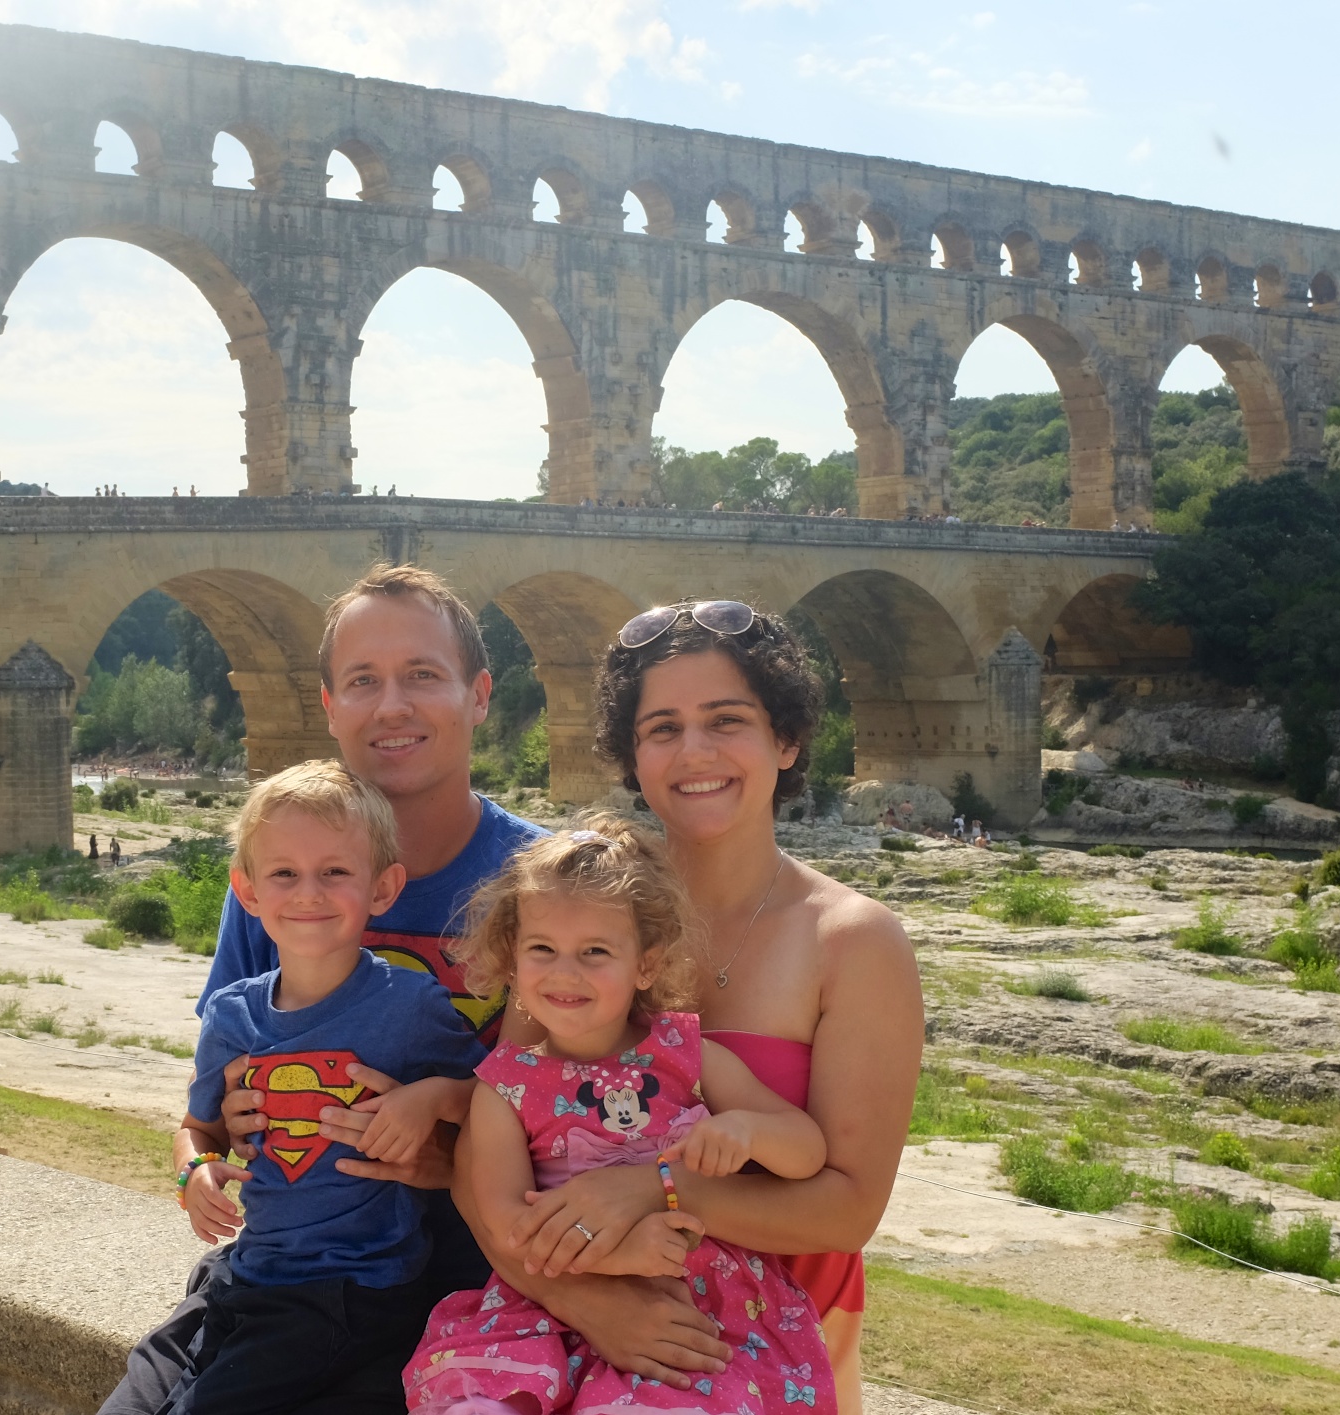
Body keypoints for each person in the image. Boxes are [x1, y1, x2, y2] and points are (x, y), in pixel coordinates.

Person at [449, 601, 920, 1411]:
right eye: (660, 727)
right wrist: (589, 1304)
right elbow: (486, 1155)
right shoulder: (576, 916)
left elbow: (844, 1210)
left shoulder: (853, 941)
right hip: (574, 1320)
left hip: (779, 1339)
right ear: (632, 755)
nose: (693, 751)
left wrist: (656, 1187)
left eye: (725, 720)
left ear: (786, 738)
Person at [100, 565, 547, 1415]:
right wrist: (204, 1151)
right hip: (270, 1270)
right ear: (328, 705)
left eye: (422, 674)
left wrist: (443, 1150)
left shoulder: (544, 882)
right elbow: (212, 1104)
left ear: (480, 693)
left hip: (461, 1279)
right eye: (362, 681)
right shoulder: (277, 880)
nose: (391, 705)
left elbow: (583, 1119)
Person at [408, 823, 832, 1414]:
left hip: (697, 1308)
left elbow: (808, 1149)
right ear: (511, 961)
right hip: (553, 1304)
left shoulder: (689, 1053)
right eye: (542, 949)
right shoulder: (504, 1085)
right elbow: (507, 1223)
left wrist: (748, 1130)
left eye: (596, 952)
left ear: (646, 965)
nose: (565, 972)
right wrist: (617, 1257)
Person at [170, 760, 487, 1415]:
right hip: (250, 1272)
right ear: (248, 890)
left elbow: (495, 1097)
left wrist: (429, 1098)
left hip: (358, 1287)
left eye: (335, 872)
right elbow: (197, 1128)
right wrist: (193, 1171)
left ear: (382, 886)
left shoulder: (410, 1004)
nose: (307, 892)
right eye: (283, 872)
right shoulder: (233, 1015)